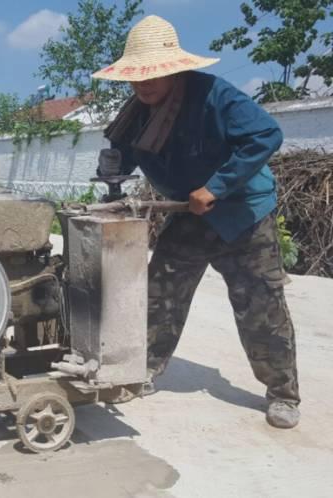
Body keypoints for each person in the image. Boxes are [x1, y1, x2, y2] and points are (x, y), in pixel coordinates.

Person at [93, 15, 300, 428]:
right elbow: (122, 152)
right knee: (158, 292)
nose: (143, 84)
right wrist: (113, 172)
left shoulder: (215, 96)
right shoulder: (135, 113)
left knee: (260, 303)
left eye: (151, 74)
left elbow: (266, 135)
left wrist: (217, 187)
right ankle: (144, 368)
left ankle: (283, 393)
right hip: (188, 213)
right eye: (136, 76)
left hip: (243, 213)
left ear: (173, 69)